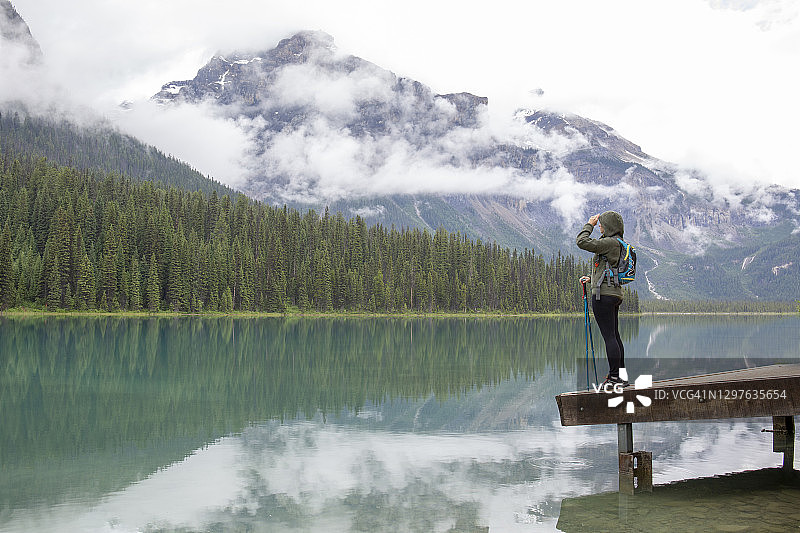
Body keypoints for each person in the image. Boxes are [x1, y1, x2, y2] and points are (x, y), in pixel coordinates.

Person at [576, 211, 628, 387]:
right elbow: (609, 267)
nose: (600, 226)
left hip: (602, 296)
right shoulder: (619, 243)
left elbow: (582, 241)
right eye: (598, 224)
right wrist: (593, 278)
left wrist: (588, 225)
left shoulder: (609, 242)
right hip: (614, 294)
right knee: (615, 336)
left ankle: (614, 378)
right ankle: (621, 377)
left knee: (609, 338)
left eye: (602, 224)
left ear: (610, 226)